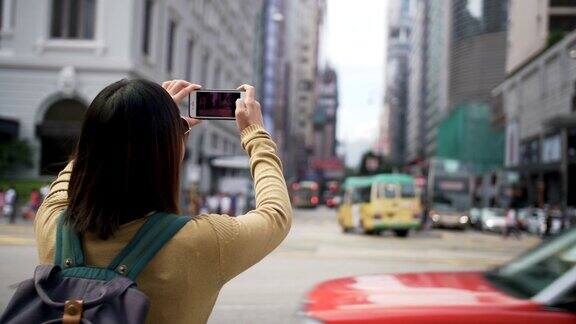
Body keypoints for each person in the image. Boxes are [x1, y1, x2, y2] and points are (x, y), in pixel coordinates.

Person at [34, 79, 292, 324]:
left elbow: (78, 167)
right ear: (173, 153)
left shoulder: (51, 223)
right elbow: (275, 214)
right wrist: (255, 134)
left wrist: (136, 123)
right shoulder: (202, 242)